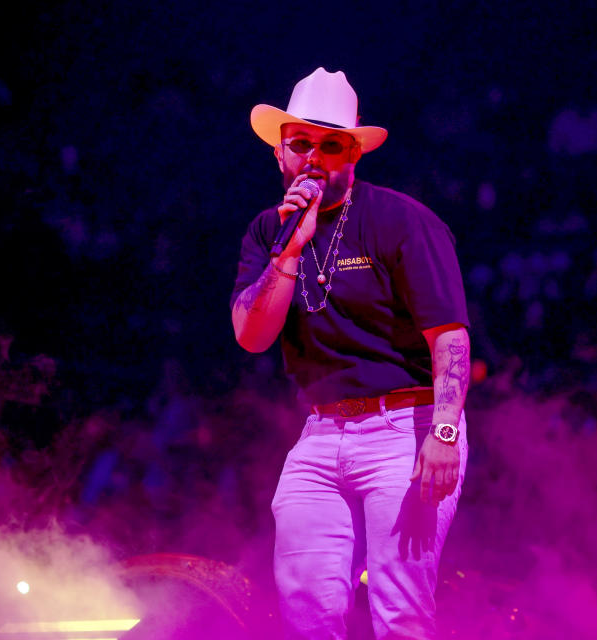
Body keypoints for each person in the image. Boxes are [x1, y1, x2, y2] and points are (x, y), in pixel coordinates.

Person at [230, 67, 470, 639]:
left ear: (353, 154)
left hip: (404, 429)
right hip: (319, 436)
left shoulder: (400, 219)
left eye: (331, 144)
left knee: (400, 610)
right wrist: (290, 247)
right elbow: (250, 335)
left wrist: (443, 434)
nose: (315, 157)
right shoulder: (270, 232)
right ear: (280, 155)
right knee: (307, 611)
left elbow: (451, 339)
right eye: (302, 144)